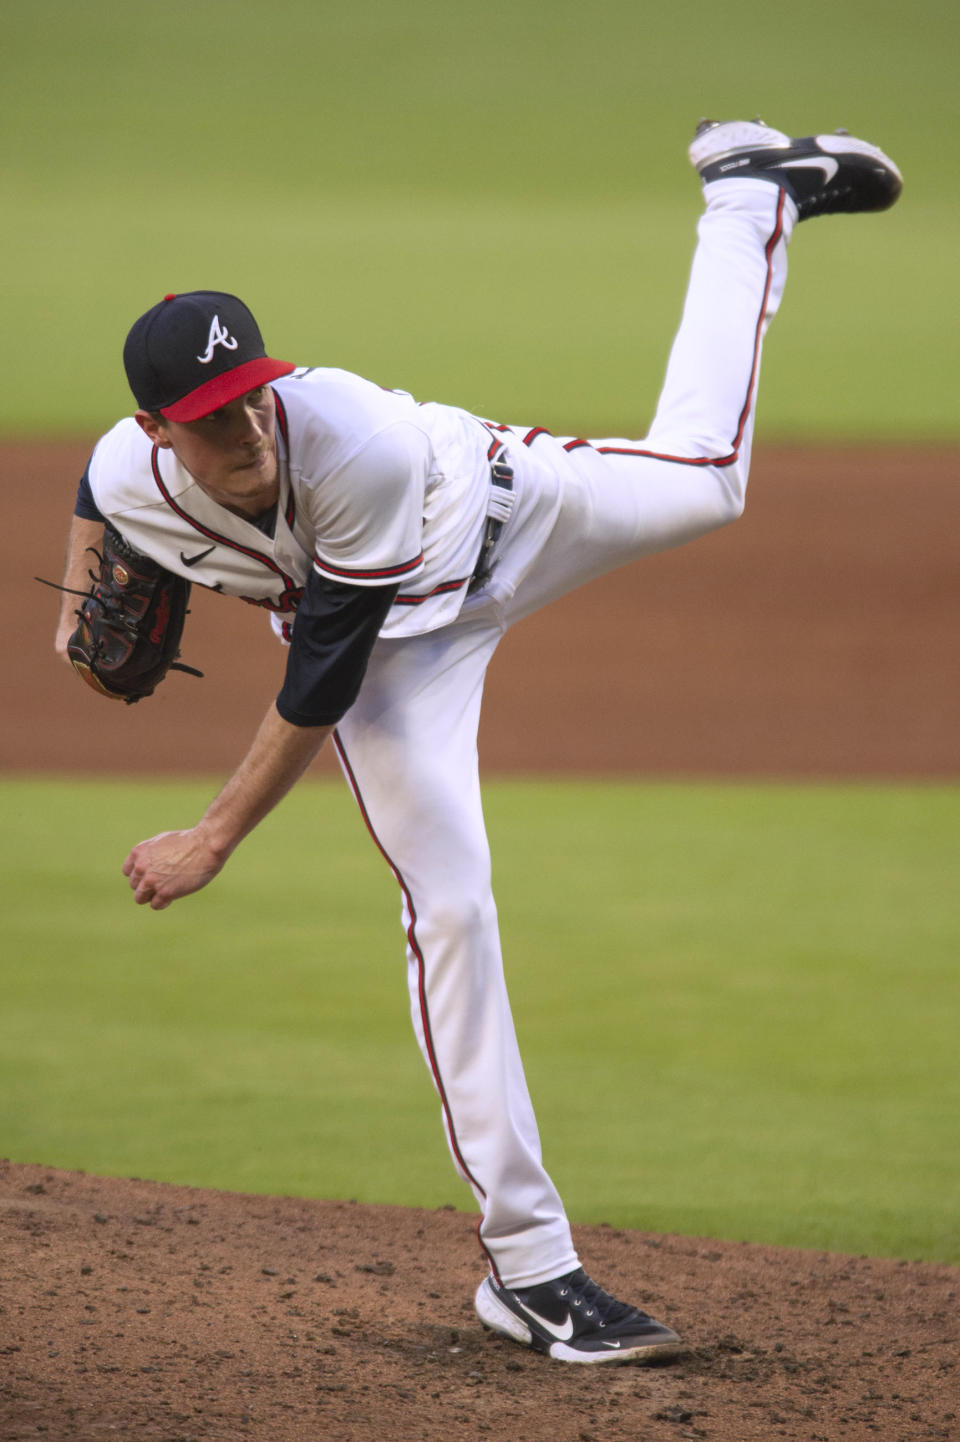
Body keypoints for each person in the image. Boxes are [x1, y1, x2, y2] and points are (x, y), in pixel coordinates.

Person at [53, 119, 901, 1363]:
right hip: (412, 661)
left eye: (250, 399)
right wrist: (74, 619)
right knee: (451, 908)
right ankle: (533, 1269)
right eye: (209, 419)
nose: (243, 430)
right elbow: (97, 501)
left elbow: (319, 681)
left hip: (498, 510)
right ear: (154, 425)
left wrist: (212, 836)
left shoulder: (356, 445)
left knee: (710, 478)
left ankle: (748, 194)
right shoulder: (130, 471)